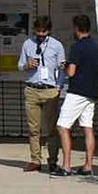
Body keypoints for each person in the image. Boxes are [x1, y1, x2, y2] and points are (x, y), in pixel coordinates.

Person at [53, 15, 98, 177]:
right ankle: (88, 165)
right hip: (91, 91)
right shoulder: (96, 47)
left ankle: (66, 166)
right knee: (87, 127)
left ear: (76, 28)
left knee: (63, 126)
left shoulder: (77, 48)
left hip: (77, 91)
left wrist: (65, 67)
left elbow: (72, 72)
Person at [18, 17, 65, 174]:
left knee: (51, 129)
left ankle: (52, 161)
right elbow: (19, 65)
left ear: (49, 31)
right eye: (38, 31)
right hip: (32, 89)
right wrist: (27, 65)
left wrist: (58, 88)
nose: (40, 35)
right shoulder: (27, 44)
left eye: (44, 32)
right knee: (33, 129)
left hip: (50, 90)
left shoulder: (57, 45)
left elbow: (62, 68)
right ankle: (35, 160)